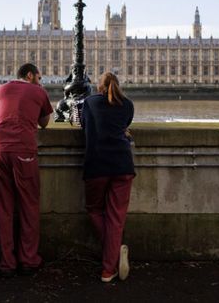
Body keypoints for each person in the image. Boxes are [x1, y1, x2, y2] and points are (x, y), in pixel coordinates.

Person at [0, 63, 53, 277]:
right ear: (30, 75)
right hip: (22, 150)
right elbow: (44, 123)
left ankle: (7, 263)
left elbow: (0, 113)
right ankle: (28, 260)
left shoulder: (0, 89)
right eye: (39, 76)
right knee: (28, 205)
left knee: (4, 207)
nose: (40, 80)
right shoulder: (38, 91)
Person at [80, 72, 135, 283]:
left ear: (98, 87)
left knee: (95, 210)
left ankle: (108, 267)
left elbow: (85, 126)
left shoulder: (90, 102)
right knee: (116, 218)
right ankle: (111, 260)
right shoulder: (128, 104)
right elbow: (124, 126)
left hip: (97, 165)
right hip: (123, 165)